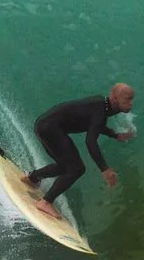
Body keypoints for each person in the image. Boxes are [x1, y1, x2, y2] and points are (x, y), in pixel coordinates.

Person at [22, 83, 136, 218]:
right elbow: (90, 142)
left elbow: (96, 125)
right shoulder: (100, 110)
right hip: (50, 128)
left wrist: (115, 135)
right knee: (77, 169)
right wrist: (104, 169)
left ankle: (32, 178)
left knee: (65, 166)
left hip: (45, 125)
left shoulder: (101, 106)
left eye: (132, 99)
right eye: (127, 99)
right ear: (115, 99)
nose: (131, 103)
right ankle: (45, 202)